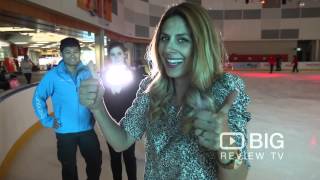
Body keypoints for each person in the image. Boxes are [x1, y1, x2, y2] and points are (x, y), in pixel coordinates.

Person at [80, 3, 250, 180]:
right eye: (165, 38)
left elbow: (238, 176)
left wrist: (225, 143)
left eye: (182, 39)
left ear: (201, 44)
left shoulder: (224, 88)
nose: (168, 48)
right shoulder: (151, 87)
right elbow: (121, 142)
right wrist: (98, 106)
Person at [32, 37, 102, 180]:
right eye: (68, 52)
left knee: (95, 162)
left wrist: (95, 114)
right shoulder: (53, 76)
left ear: (80, 53)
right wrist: (47, 120)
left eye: (75, 52)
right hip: (65, 131)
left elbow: (98, 95)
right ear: (61, 54)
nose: (72, 55)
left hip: (87, 129)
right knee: (68, 167)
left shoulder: (87, 73)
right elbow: (38, 97)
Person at [102, 42, 142, 180]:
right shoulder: (105, 76)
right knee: (114, 156)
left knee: (129, 155)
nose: (116, 57)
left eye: (119, 54)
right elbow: (103, 100)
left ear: (124, 55)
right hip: (111, 121)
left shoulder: (135, 76)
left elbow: (139, 101)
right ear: (109, 57)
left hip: (129, 122)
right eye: (112, 54)